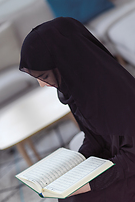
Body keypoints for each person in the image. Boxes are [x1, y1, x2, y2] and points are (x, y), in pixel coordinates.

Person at [19, 17, 135, 202]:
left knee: (75, 198)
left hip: (130, 167)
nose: (42, 84)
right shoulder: (78, 90)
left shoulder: (115, 92)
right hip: (118, 161)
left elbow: (131, 158)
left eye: (44, 75)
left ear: (65, 62)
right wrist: (73, 164)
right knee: (66, 196)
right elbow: (95, 139)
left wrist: (88, 184)